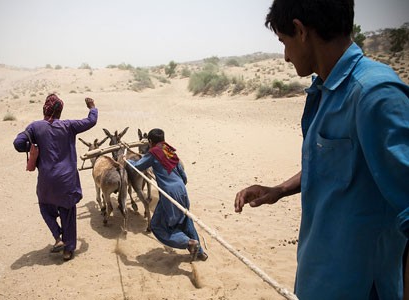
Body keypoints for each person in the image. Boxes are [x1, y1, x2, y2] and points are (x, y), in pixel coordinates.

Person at [234, 0, 409, 299]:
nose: (286, 56)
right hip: (319, 283)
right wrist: (279, 189)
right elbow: (337, 164)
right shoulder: (327, 90)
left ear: (300, 31)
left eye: (283, 42)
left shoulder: (374, 95)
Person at [13, 94, 98, 261]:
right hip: (67, 181)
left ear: (45, 108)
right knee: (68, 214)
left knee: (45, 208)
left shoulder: (35, 127)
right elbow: (91, 121)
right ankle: (68, 249)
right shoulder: (69, 126)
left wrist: (33, 146)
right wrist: (92, 107)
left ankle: (58, 236)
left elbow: (18, 144)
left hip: (47, 182)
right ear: (60, 111)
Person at [128, 128, 208, 261]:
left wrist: (127, 160)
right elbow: (184, 177)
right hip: (182, 191)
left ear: (150, 142)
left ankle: (188, 243)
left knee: (157, 226)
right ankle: (200, 252)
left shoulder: (153, 153)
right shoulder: (169, 151)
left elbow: (137, 166)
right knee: (185, 220)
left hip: (169, 194)